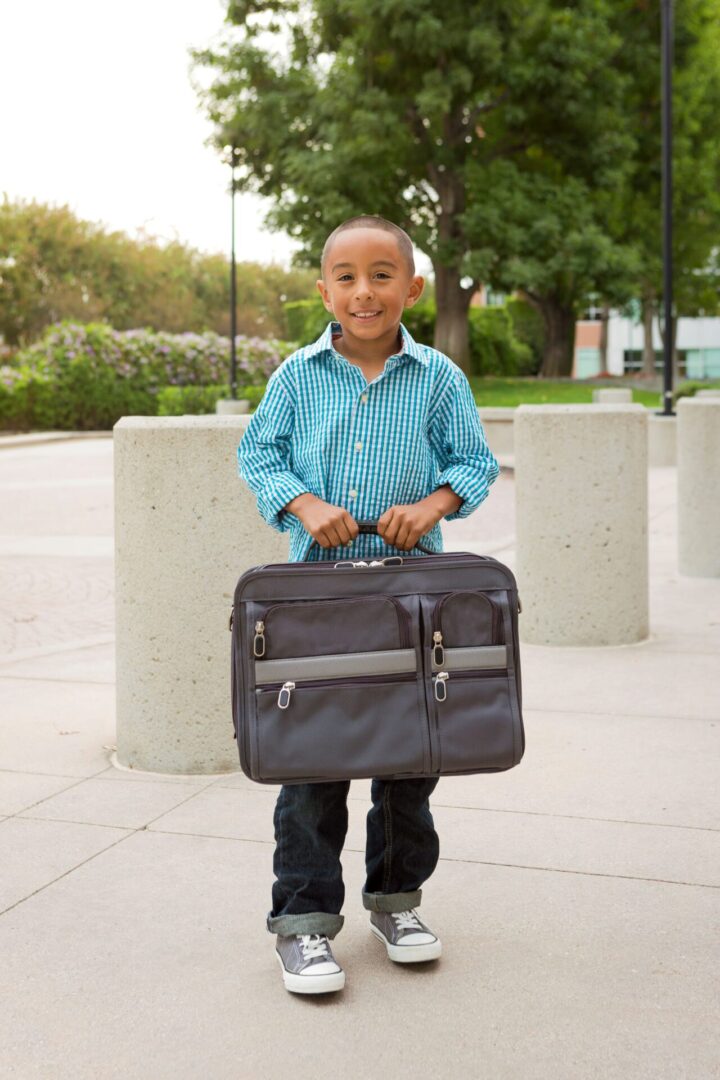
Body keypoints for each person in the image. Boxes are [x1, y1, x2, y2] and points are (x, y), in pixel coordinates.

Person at [237, 214, 499, 994]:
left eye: (381, 275)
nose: (364, 291)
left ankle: (397, 903)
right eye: (346, 277)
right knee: (311, 772)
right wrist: (302, 504)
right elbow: (258, 453)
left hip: (413, 601)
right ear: (324, 291)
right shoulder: (295, 376)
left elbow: (475, 463)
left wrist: (433, 505)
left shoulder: (440, 379)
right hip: (316, 603)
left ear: (411, 288)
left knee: (407, 764)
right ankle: (306, 925)